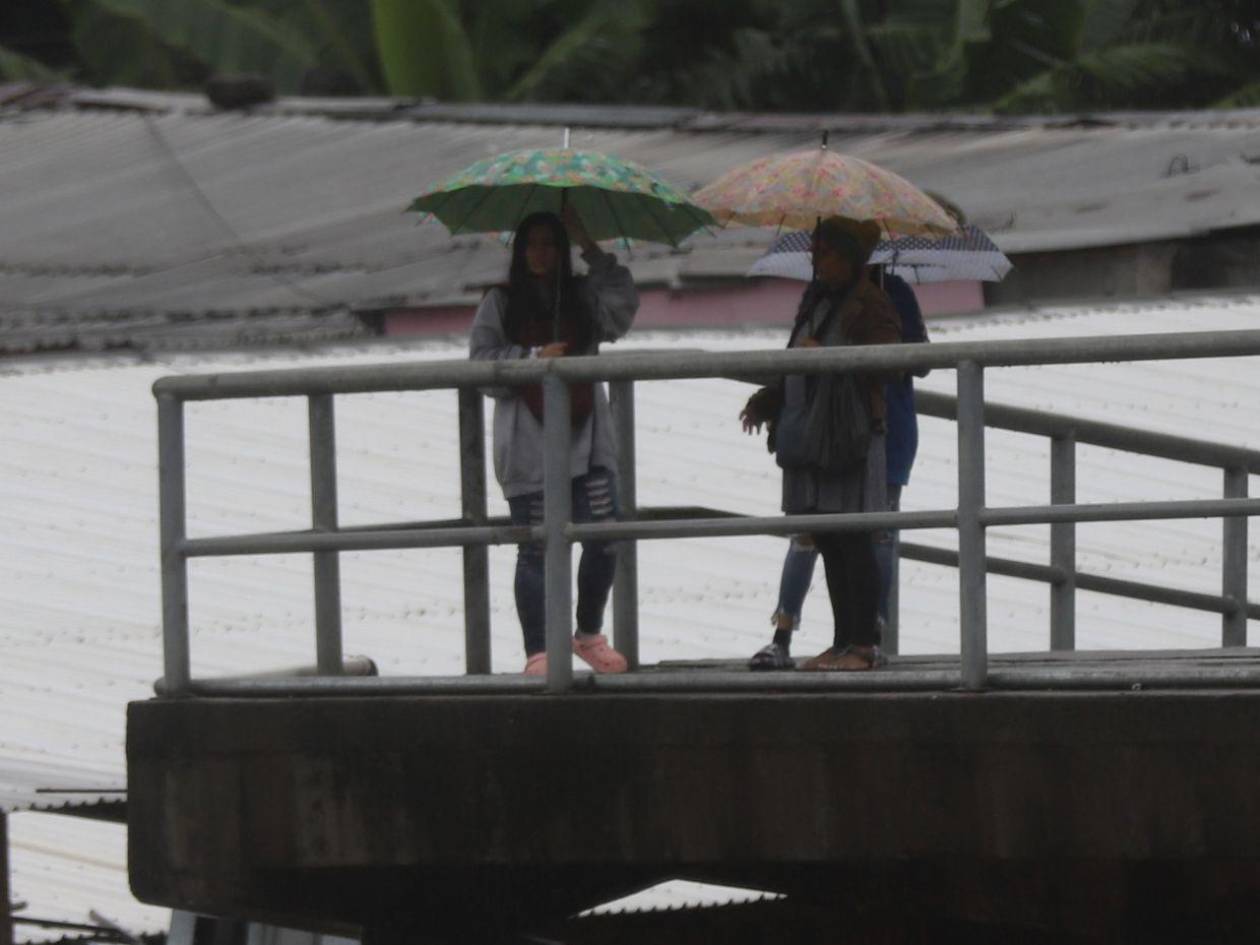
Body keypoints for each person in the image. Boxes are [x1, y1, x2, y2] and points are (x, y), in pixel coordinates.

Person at [470, 207, 638, 676]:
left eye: (550, 244)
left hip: (588, 441)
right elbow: (480, 362)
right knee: (538, 546)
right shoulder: (501, 303)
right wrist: (531, 357)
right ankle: (540, 650)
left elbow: (623, 307)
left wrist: (588, 242)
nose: (540, 254)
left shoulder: (582, 295)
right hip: (530, 446)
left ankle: (587, 634)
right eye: (532, 245)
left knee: (605, 535)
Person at [740, 216, 901, 671]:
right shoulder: (815, 299)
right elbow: (795, 358)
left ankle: (864, 645)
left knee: (854, 538)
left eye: (828, 252)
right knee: (829, 538)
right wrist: (766, 401)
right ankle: (842, 640)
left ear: (850, 257)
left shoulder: (871, 303)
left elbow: (890, 364)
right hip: (811, 431)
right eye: (816, 252)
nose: (819, 261)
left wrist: (831, 359)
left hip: (848, 433)